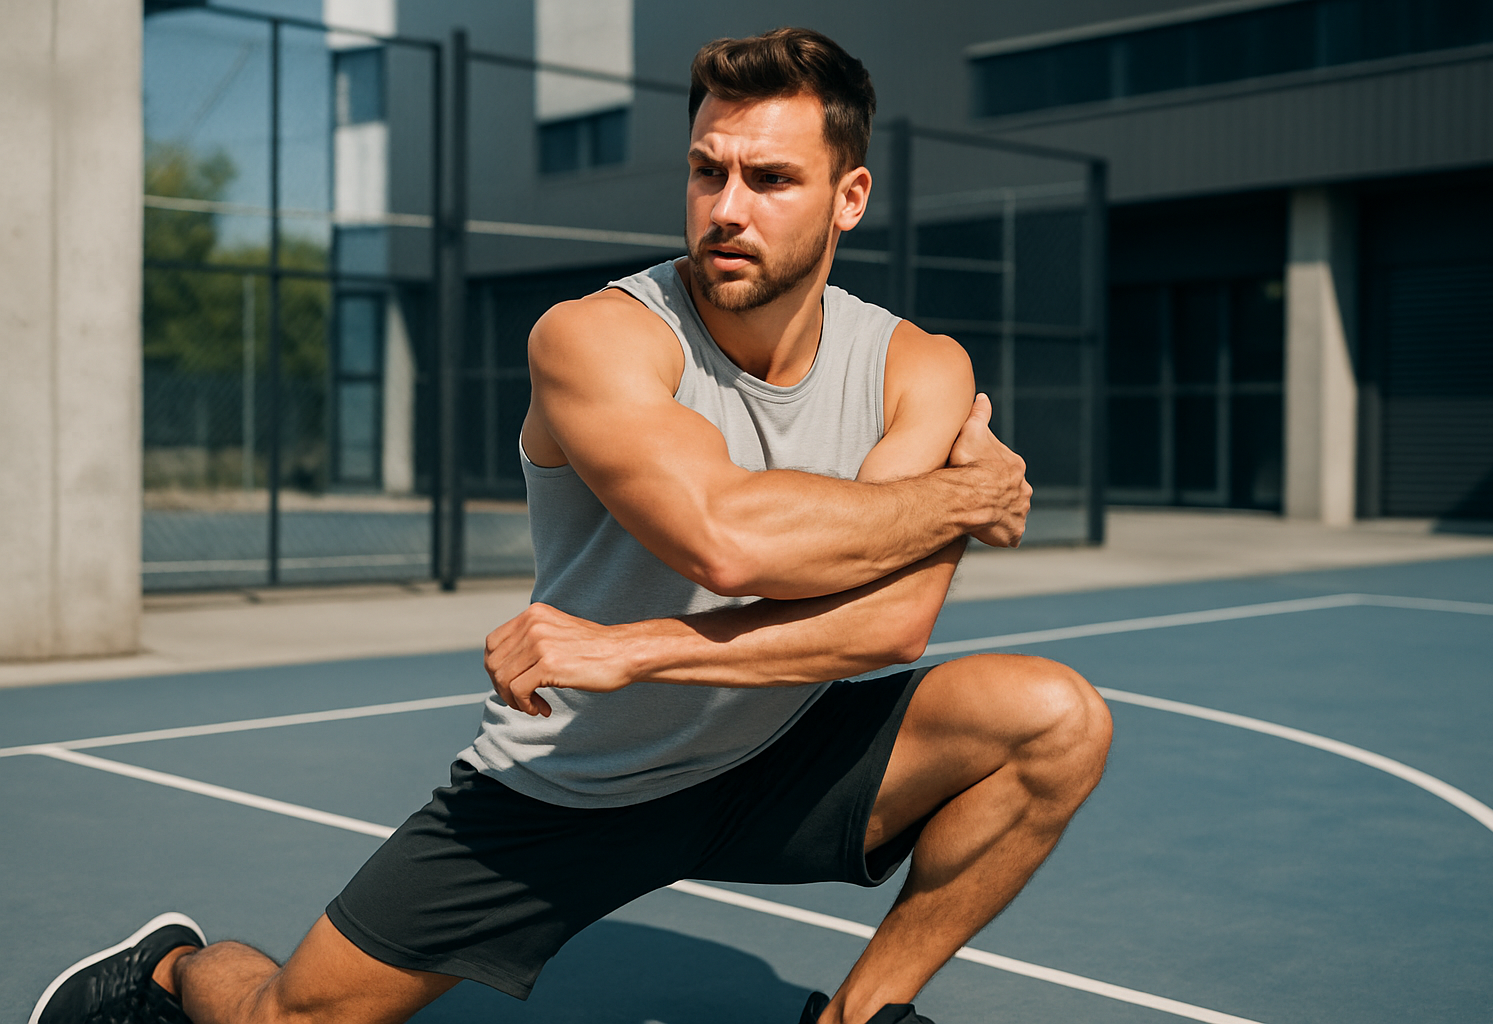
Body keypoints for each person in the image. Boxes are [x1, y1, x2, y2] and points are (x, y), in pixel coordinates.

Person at [32, 27, 1111, 1024]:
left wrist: (630, 645)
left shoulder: (919, 364)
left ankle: (857, 1015)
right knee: (288, 1017)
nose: (726, 206)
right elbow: (727, 538)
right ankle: (171, 968)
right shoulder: (597, 340)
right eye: (707, 170)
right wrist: (966, 497)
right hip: (573, 778)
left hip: (780, 745)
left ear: (849, 196)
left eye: (771, 178)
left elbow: (891, 624)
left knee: (1057, 720)